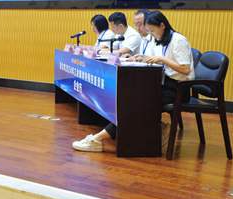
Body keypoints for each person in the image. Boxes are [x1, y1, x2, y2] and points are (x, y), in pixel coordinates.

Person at [72, 10, 194, 152]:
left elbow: (185, 69)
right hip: (162, 83)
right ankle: (101, 138)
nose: (152, 34)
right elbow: (157, 60)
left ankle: (98, 139)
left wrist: (162, 59)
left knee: (133, 104)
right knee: (129, 100)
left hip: (178, 89)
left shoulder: (178, 40)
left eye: (153, 31)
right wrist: (142, 58)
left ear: (162, 26)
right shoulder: (161, 40)